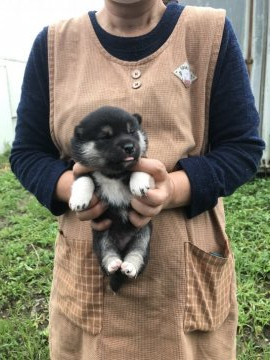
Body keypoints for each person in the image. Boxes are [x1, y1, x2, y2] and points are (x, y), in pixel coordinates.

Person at [10, 0, 265, 359]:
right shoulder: (54, 45)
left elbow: (242, 148)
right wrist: (76, 188)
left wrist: (175, 188)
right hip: (88, 272)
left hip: (182, 280)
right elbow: (27, 153)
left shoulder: (210, 33)